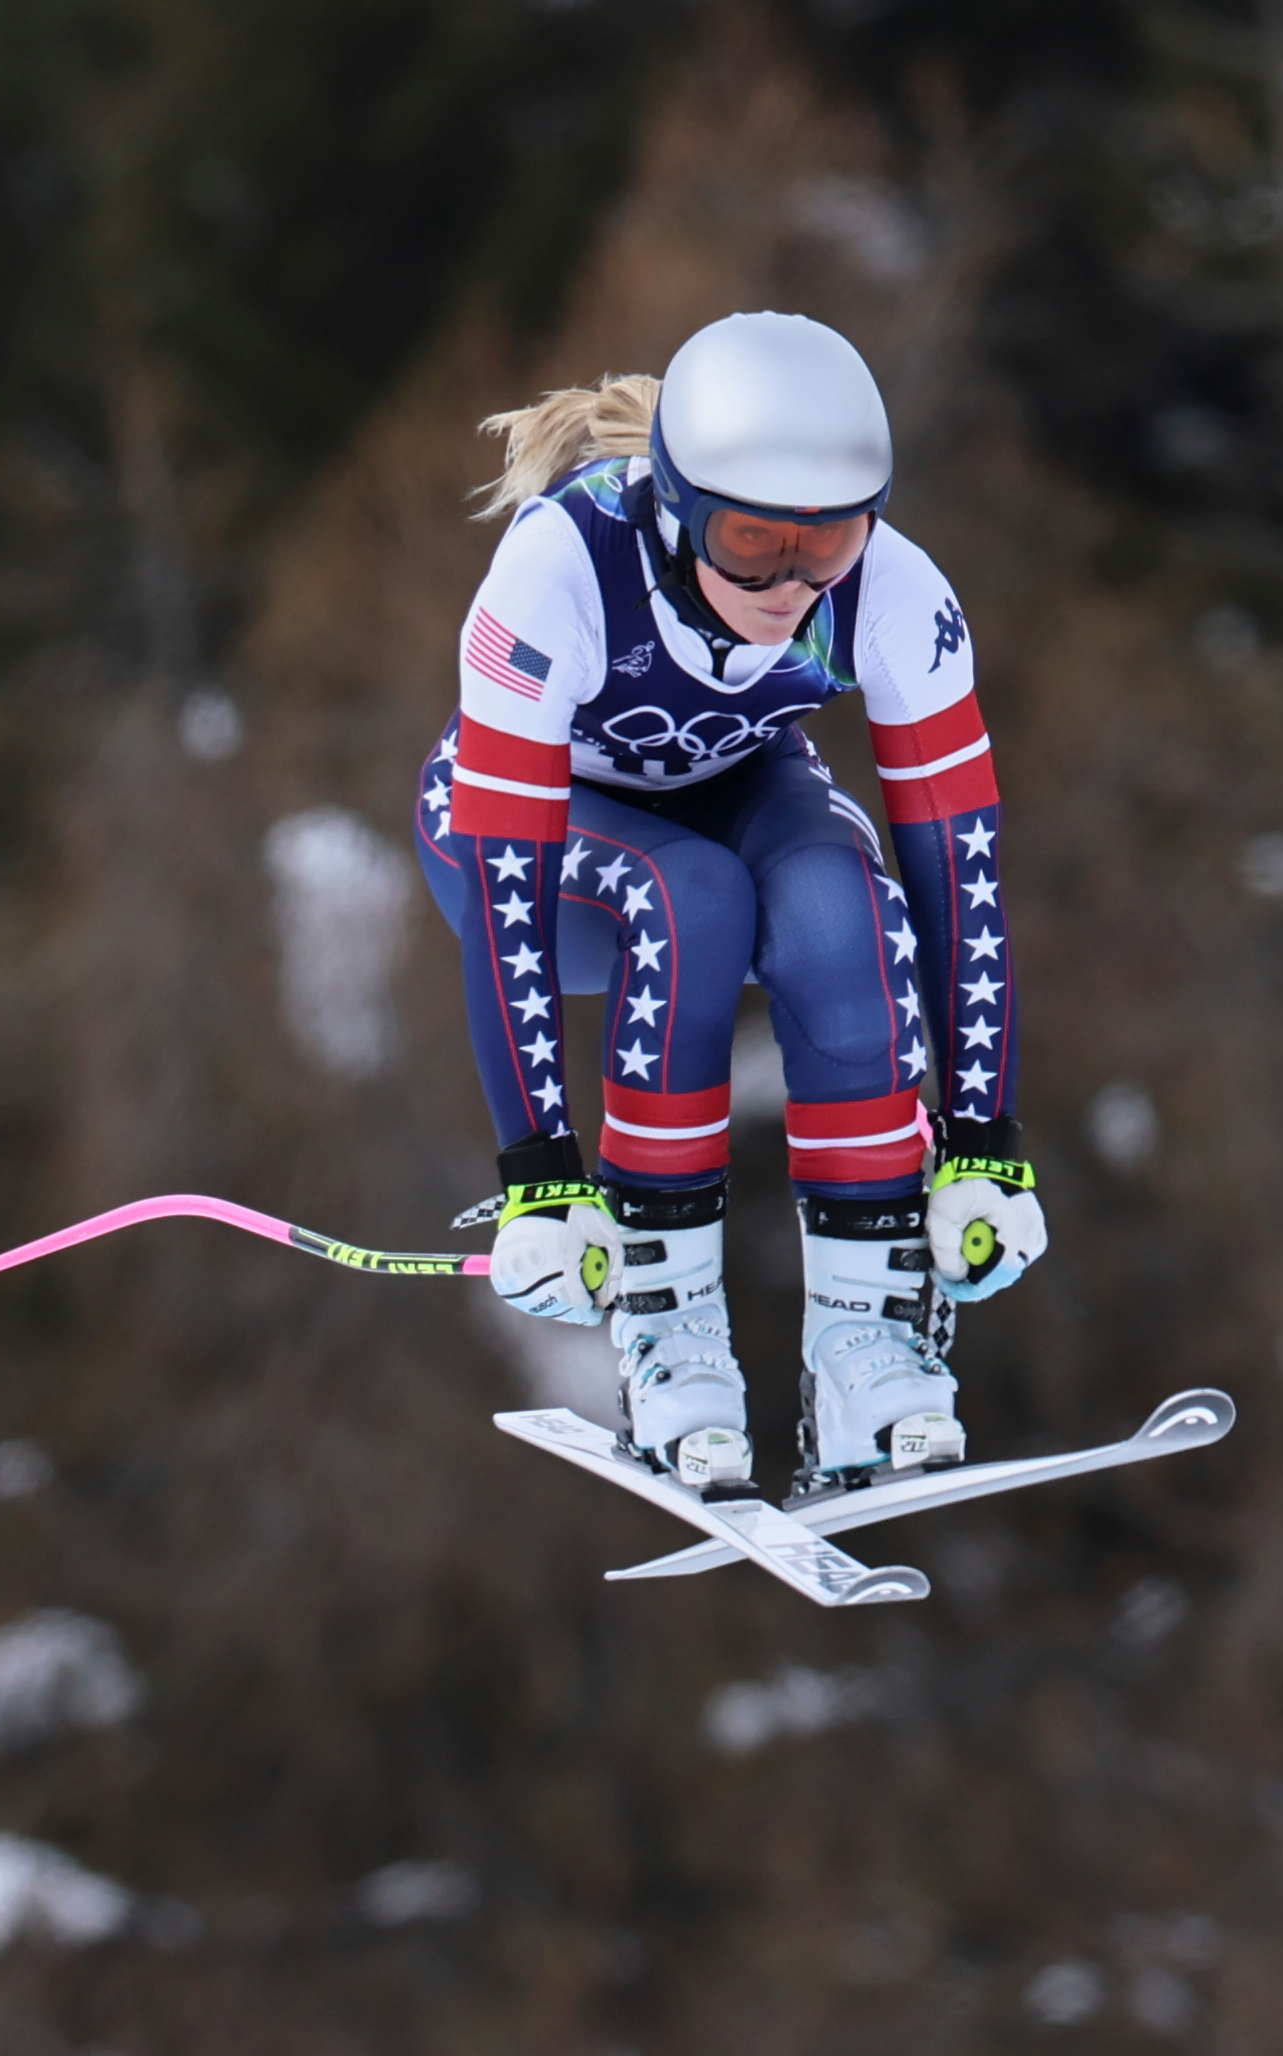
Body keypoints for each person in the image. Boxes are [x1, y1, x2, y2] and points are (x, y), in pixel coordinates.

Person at [413, 311, 1047, 1498]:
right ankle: (671, 1334)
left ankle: (868, 1345)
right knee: (688, 895)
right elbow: (507, 889)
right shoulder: (558, 572)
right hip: (539, 847)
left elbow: (959, 871)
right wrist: (542, 1175)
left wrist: (982, 1146)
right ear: (676, 512)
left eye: (830, 544)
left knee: (835, 905)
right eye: (753, 543)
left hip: (736, 786)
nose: (792, 586)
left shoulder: (895, 592)